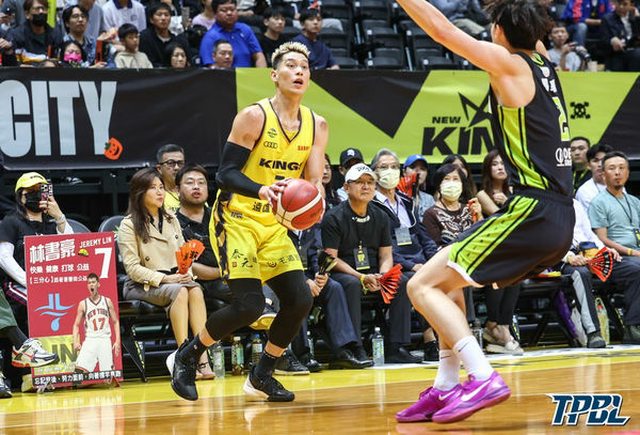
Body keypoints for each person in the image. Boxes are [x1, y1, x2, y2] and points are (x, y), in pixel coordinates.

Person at [395, 0, 574, 423]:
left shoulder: (509, 64)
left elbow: (442, 30)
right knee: (446, 281)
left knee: (419, 286)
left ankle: (482, 375)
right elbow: (528, 21)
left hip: (533, 208)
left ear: (499, 31)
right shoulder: (545, 63)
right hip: (557, 214)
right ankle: (445, 385)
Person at [169, 42, 328, 402]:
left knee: (300, 300)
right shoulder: (254, 117)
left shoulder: (317, 125)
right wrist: (262, 190)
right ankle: (189, 355)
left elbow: (313, 182)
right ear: (274, 75)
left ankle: (262, 374)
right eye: (291, 65)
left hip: (274, 224)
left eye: (304, 67)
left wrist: (313, 202)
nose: (299, 71)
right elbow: (225, 173)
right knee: (250, 305)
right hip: (236, 217)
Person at [117, 168, 214, 380]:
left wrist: (187, 273)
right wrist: (166, 279)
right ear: (140, 192)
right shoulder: (128, 224)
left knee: (195, 289)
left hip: (174, 279)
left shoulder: (171, 218)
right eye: (153, 188)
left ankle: (202, 358)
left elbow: (184, 253)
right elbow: (132, 268)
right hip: (142, 284)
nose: (160, 192)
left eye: (161, 187)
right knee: (180, 291)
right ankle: (184, 359)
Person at [322, 163, 420, 364]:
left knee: (401, 281)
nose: (365, 186)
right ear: (346, 187)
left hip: (375, 273)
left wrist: (383, 275)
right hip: (345, 272)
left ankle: (396, 346)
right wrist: (361, 277)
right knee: (350, 285)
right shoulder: (333, 217)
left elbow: (386, 255)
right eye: (359, 182)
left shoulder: (381, 216)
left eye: (370, 182)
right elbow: (330, 258)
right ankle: (355, 347)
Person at [588, 151, 640, 343]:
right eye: (612, 168)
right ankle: (633, 327)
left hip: (635, 255)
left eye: (621, 168)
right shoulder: (599, 203)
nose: (617, 172)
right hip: (614, 258)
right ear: (603, 174)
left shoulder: (634, 201)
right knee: (637, 269)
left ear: (628, 172)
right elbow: (602, 239)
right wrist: (632, 252)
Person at [72, 273, 121, 373]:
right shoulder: (83, 304)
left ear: (98, 284)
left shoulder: (107, 301)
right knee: (79, 374)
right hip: (91, 339)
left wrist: (117, 341)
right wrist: (76, 341)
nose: (91, 284)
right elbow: (76, 325)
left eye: (93, 282)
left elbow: (115, 322)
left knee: (108, 376)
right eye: (89, 283)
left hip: (105, 340)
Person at [198, 0, 266, 67]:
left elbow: (259, 56)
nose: (229, 13)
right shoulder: (210, 37)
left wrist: (261, 73)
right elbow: (210, 67)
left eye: (232, 9)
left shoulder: (245, 29)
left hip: (247, 74)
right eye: (224, 10)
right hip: (224, 74)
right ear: (215, 14)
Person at [139, 2, 190, 67]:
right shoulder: (144, 37)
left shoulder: (178, 39)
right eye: (159, 15)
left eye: (166, 15)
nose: (163, 18)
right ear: (151, 19)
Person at [601, 0, 640, 71]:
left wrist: (638, 19)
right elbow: (603, 42)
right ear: (615, 3)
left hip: (635, 51)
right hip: (617, 53)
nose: (621, 7)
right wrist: (611, 41)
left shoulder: (636, 18)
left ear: (631, 5)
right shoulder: (607, 19)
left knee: (637, 54)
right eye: (619, 3)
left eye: (625, 4)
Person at [575, 143, 613, 212]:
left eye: (604, 160)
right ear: (588, 165)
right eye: (595, 161)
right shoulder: (585, 192)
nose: (600, 164)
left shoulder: (618, 185)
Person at [476, 149, 510, 217]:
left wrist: (506, 201)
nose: (500, 168)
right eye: (494, 164)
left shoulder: (515, 190)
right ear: (488, 168)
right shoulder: (482, 194)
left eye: (503, 163)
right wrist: (507, 204)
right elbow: (499, 217)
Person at [402, 154, 435, 220]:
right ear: (404, 172)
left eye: (422, 169)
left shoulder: (429, 199)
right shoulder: (395, 197)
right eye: (413, 167)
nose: (418, 172)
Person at [155, 144, 185, 212]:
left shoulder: (192, 192)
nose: (176, 167)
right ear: (159, 168)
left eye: (180, 163)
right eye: (170, 163)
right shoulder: (156, 195)